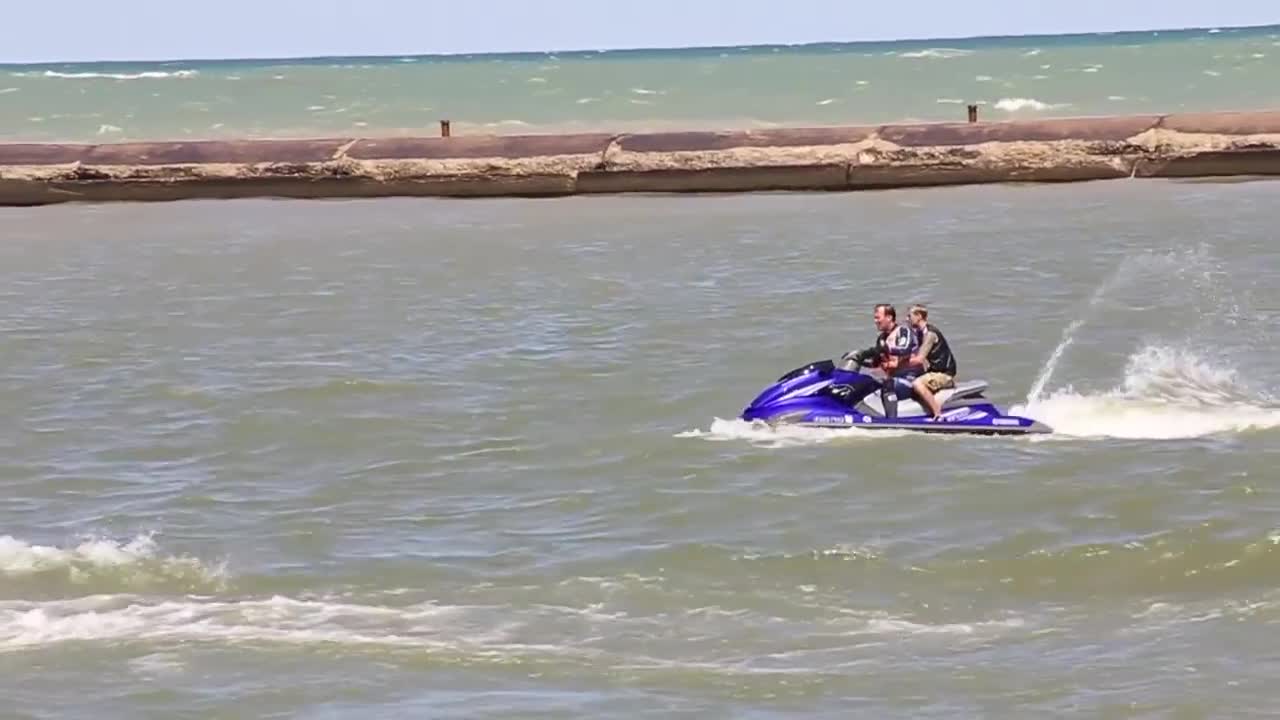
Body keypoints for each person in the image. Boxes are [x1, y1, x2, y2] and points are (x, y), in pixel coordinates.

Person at [841, 303, 919, 418]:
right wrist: (857, 359)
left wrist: (886, 349)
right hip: (894, 379)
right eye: (874, 318)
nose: (875, 321)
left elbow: (904, 349)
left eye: (878, 317)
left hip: (909, 379)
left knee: (888, 384)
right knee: (866, 383)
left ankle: (892, 422)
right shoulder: (882, 338)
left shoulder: (903, 331)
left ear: (889, 317)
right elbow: (876, 363)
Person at [907, 304, 957, 420]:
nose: (907, 319)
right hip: (934, 372)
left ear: (919, 316)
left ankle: (938, 414)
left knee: (917, 384)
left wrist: (898, 364)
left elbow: (919, 359)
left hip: (944, 374)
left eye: (909, 316)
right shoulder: (920, 333)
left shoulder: (930, 334)